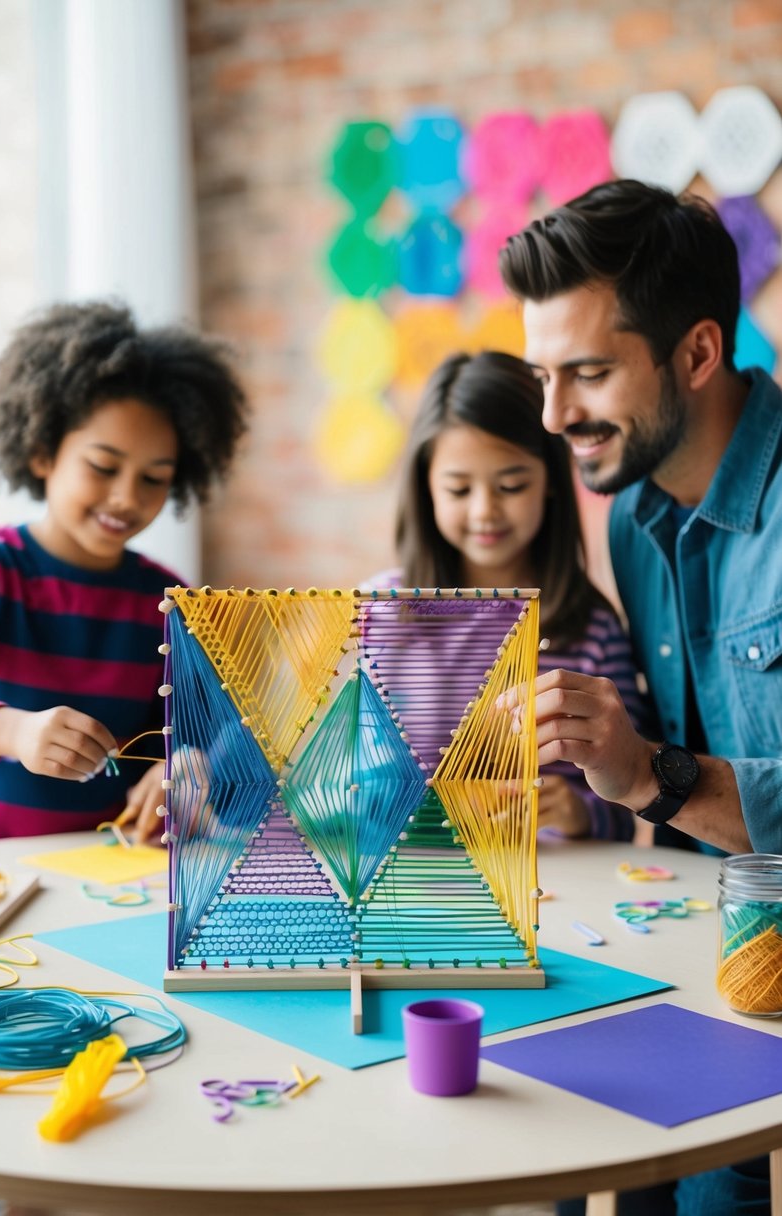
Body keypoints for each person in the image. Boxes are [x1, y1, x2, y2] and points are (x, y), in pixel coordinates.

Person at [500, 179, 781, 1216]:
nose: (552, 415)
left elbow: (670, 774)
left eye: (586, 373)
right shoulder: (633, 511)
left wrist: (646, 774)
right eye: (541, 374)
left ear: (698, 354)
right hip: (678, 960)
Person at [0, 299, 247, 846]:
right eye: (103, 467)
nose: (125, 497)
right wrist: (9, 729)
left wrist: (187, 770)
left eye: (154, 478)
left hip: (113, 884)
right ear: (43, 451)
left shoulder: (169, 602)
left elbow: (231, 731)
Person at [367, 348, 649, 840]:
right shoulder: (383, 612)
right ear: (426, 488)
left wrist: (581, 812)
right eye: (458, 490)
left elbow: (636, 800)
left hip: (557, 887)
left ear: (550, 484)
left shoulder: (593, 630)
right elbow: (351, 783)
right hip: (415, 875)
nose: (485, 512)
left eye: (512, 485)